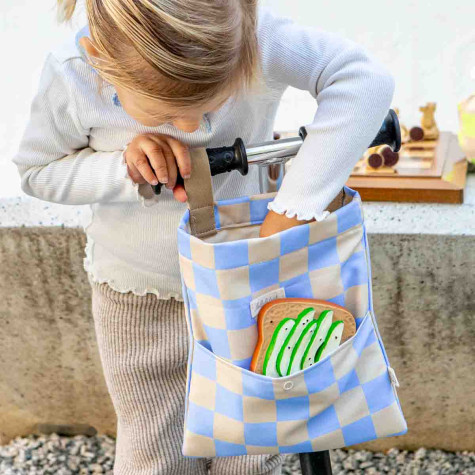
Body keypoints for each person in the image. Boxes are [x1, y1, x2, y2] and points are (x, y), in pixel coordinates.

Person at [12, 0, 394, 473]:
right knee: (155, 452)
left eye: (212, 105)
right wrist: (122, 170)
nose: (193, 128)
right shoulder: (75, 72)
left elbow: (365, 80)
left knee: (254, 446)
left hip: (247, 287)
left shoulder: (251, 36)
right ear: (98, 58)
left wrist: (293, 208)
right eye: (166, 114)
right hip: (141, 297)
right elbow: (38, 171)